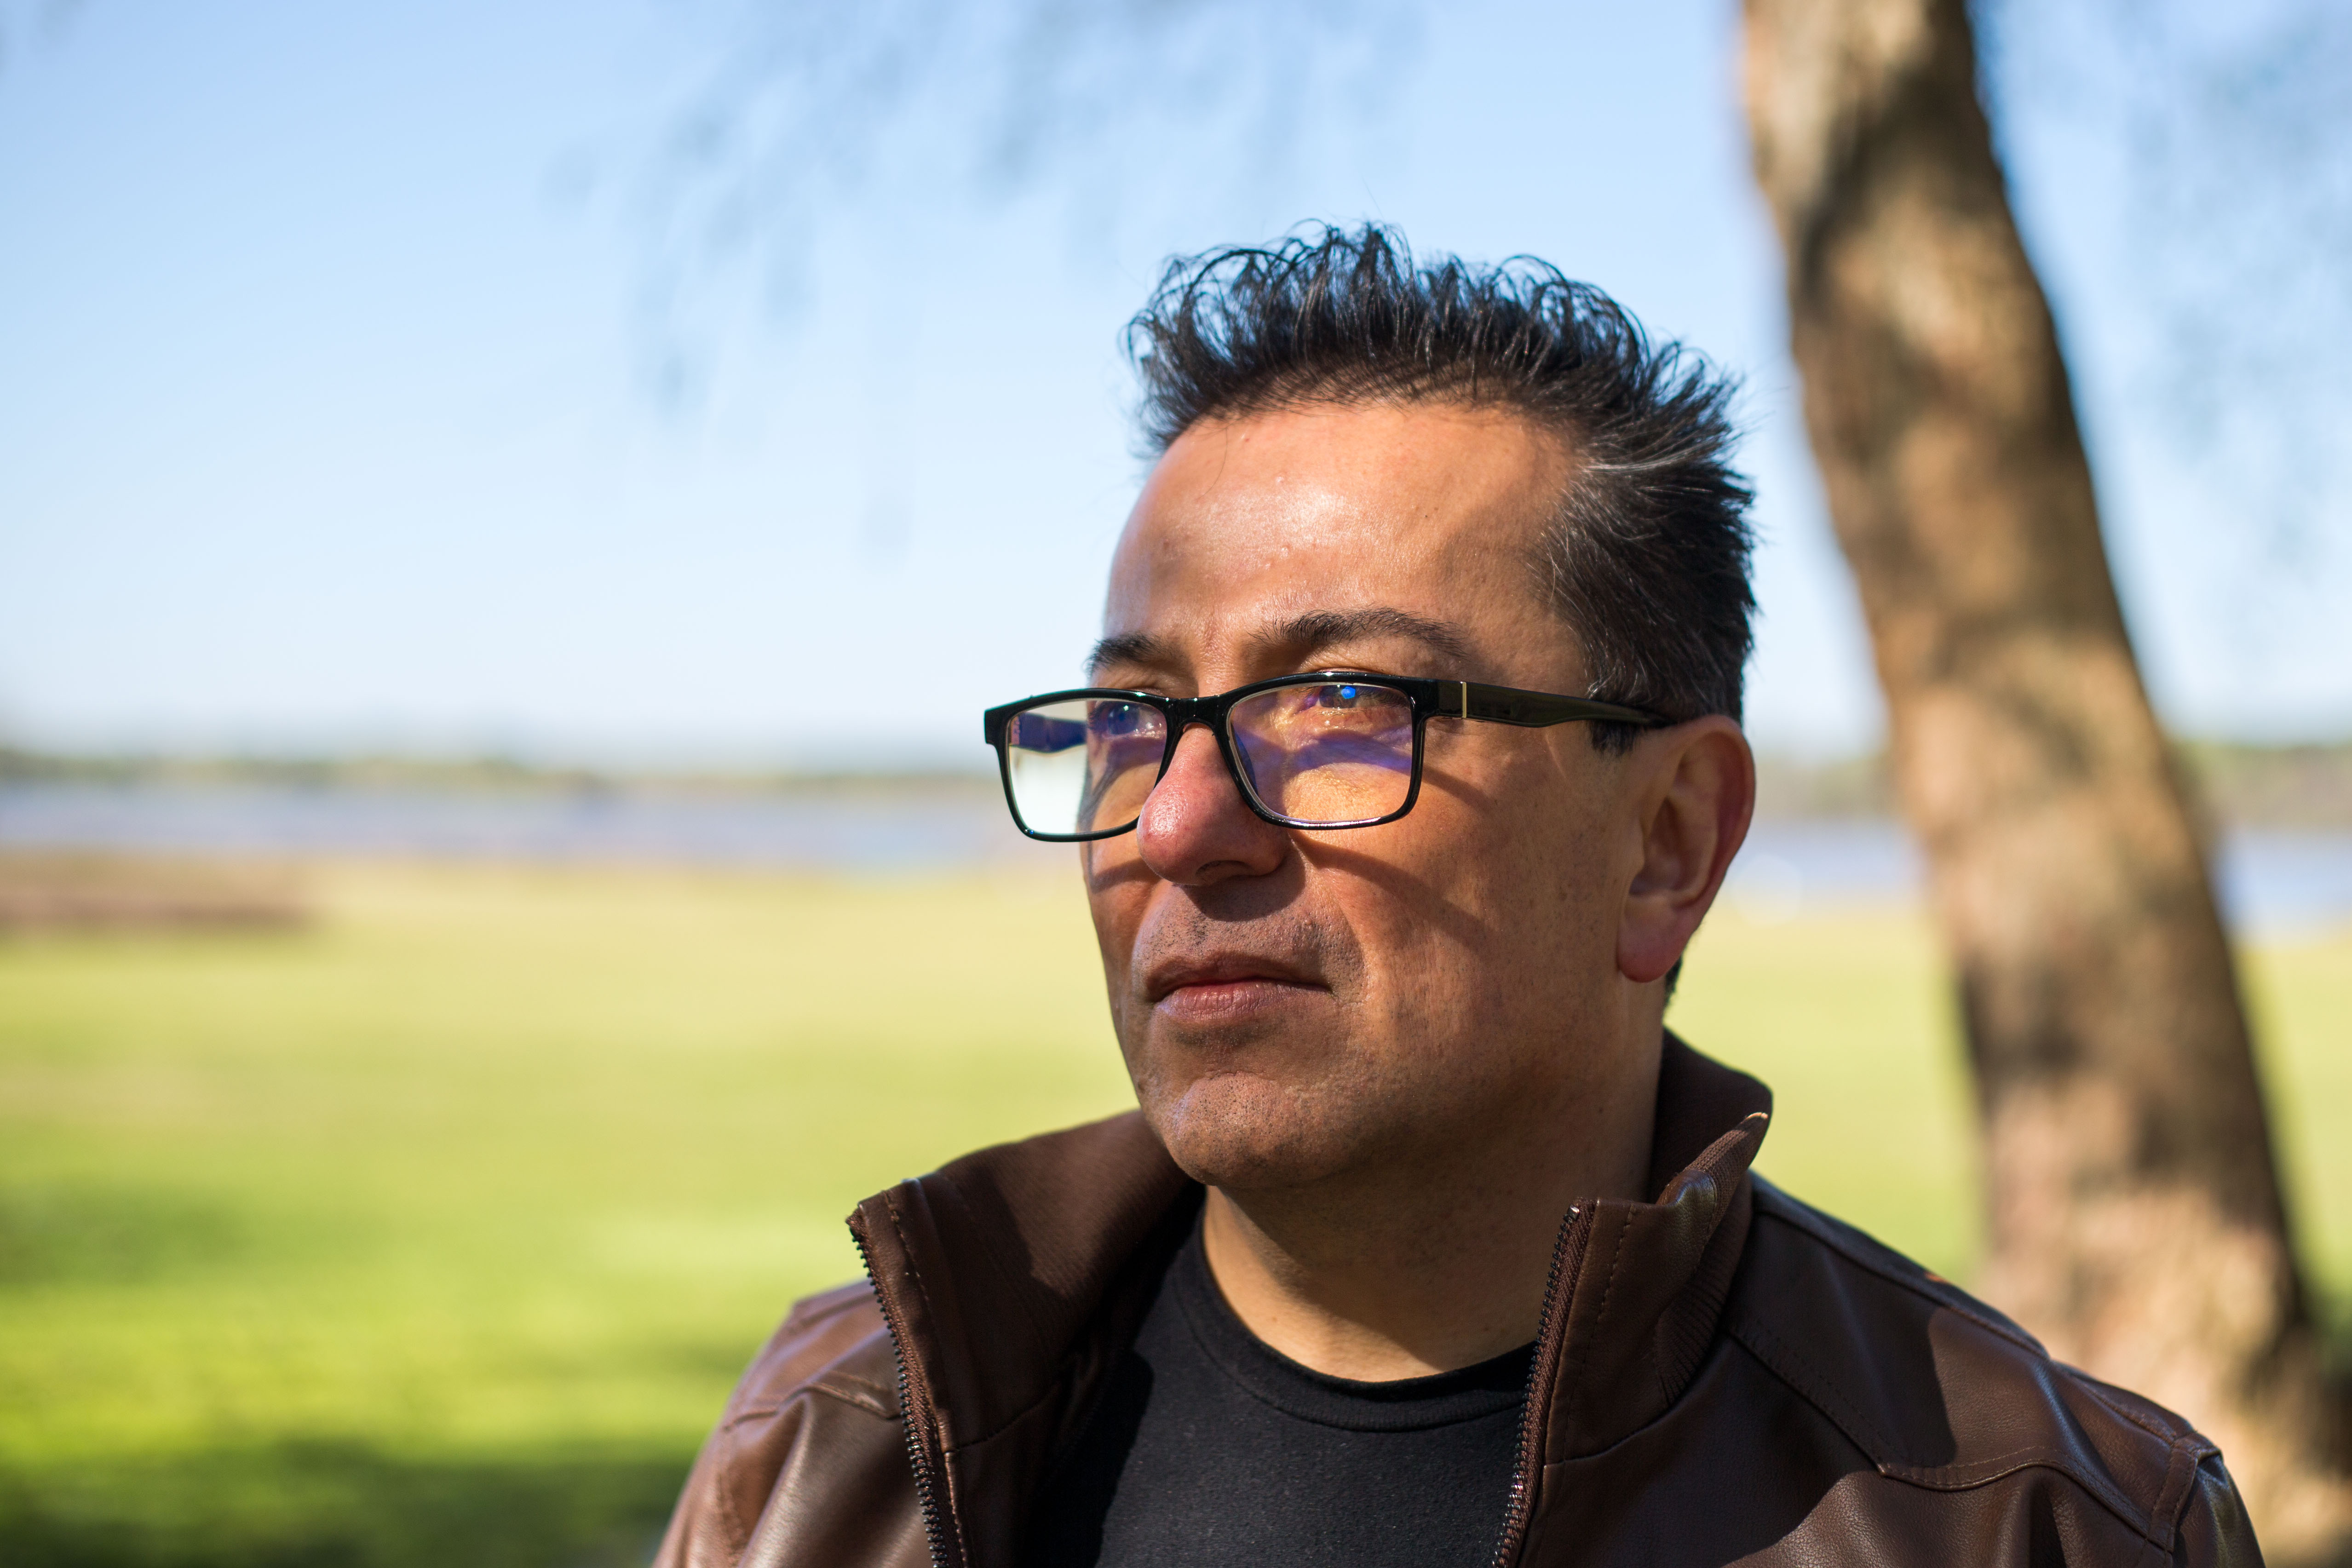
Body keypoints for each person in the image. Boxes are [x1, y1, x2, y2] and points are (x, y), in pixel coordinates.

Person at [654, 226, 2257, 1568]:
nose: (1184, 822)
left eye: (1346, 708)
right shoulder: (833, 1443)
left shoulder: (2033, 1525)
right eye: (1132, 718)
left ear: (1668, 844)